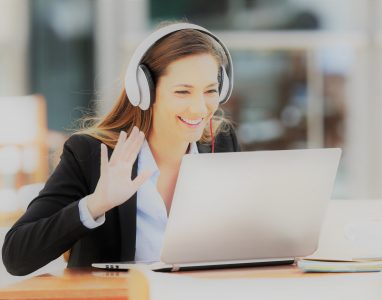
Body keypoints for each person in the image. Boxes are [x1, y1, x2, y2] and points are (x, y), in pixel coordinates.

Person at [2, 22, 241, 276]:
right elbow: (16, 255)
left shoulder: (221, 143)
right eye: (182, 92)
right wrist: (95, 204)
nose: (199, 108)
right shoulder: (91, 154)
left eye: (210, 91)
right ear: (145, 91)